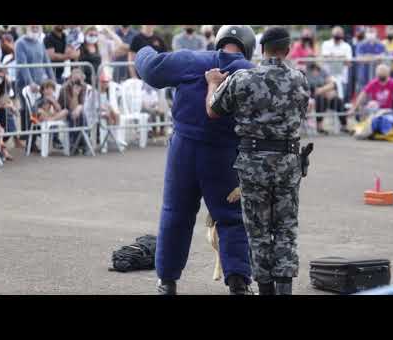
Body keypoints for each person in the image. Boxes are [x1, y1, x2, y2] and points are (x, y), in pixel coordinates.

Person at [135, 25, 257, 296]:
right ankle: (238, 281)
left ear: (219, 41)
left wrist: (142, 48)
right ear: (248, 46)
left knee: (175, 214)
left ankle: (166, 282)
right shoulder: (251, 71)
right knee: (231, 219)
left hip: (184, 151)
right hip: (224, 155)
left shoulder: (193, 59)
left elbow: (151, 69)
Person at [204, 27, 310, 295]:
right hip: (288, 162)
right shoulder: (300, 80)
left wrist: (212, 83)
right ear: (287, 50)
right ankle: (285, 290)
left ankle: (265, 290)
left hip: (253, 164)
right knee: (286, 230)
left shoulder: (243, 78)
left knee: (258, 232)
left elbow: (213, 110)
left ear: (261, 49)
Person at [15, 25, 55, 146]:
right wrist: (30, 82)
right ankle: (30, 142)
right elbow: (23, 65)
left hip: (40, 84)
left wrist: (52, 79)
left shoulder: (39, 42)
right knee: (27, 110)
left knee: (39, 109)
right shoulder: (20, 43)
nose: (35, 27)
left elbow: (46, 61)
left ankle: (39, 138)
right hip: (24, 84)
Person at [306, 62, 348, 134]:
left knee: (338, 101)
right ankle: (320, 127)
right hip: (313, 97)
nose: (315, 72)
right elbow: (311, 91)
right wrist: (324, 91)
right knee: (321, 99)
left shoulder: (323, 71)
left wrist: (324, 91)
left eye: (317, 70)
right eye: (313, 70)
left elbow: (332, 84)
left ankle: (344, 126)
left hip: (326, 94)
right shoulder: (306, 74)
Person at [58, 69, 91, 154]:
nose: (77, 82)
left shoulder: (83, 86)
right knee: (75, 115)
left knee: (81, 114)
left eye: (79, 79)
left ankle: (82, 144)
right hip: (64, 111)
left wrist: (79, 107)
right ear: (70, 78)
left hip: (77, 110)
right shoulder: (65, 88)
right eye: (75, 79)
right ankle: (75, 144)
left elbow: (81, 103)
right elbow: (71, 107)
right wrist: (75, 94)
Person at [320, 26, 353, 101]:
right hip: (327, 78)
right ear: (332, 34)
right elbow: (325, 57)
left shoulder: (347, 46)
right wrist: (341, 57)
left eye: (339, 33)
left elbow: (348, 62)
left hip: (342, 78)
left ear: (343, 35)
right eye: (336, 33)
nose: (337, 35)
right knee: (325, 100)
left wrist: (332, 56)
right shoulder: (326, 44)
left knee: (339, 101)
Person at [355, 27, 386, 92]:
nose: (371, 34)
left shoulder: (381, 45)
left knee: (377, 90)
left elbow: (382, 58)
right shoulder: (361, 44)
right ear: (365, 34)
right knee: (363, 90)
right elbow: (359, 58)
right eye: (369, 32)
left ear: (376, 33)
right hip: (363, 73)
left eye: (372, 32)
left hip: (377, 73)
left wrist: (368, 56)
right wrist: (375, 57)